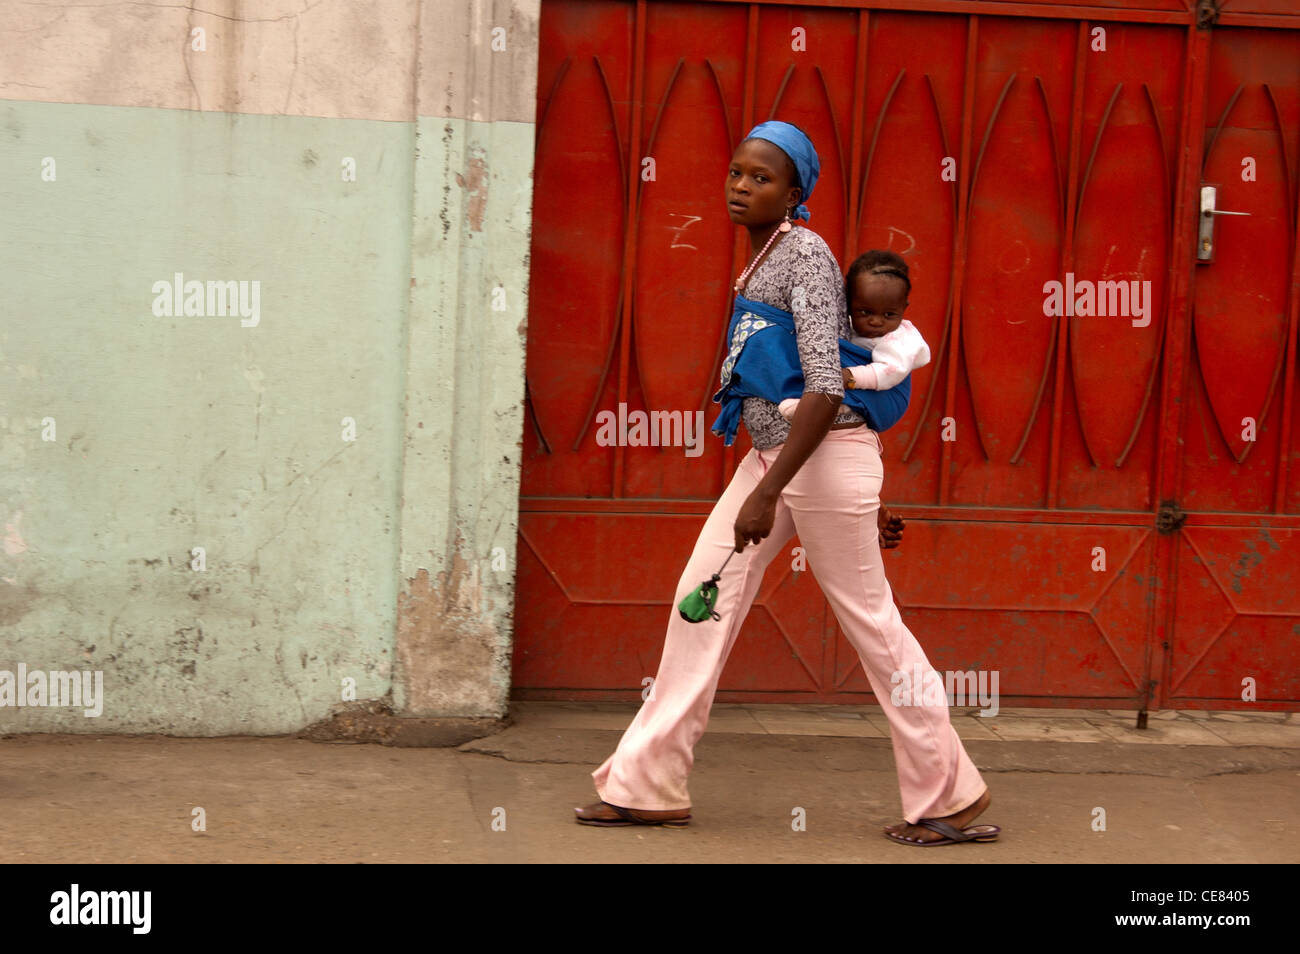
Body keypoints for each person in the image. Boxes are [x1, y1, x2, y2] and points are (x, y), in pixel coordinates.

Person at [573, 121, 997, 847]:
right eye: (737, 172)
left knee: (874, 628)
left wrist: (771, 497)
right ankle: (646, 786)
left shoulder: (805, 257)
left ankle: (948, 795)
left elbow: (827, 389)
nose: (742, 187)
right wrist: (771, 482)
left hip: (814, 462)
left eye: (761, 178)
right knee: (698, 603)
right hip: (781, 458)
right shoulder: (764, 252)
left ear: (795, 193)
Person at [777, 250, 931, 423]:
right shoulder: (847, 324)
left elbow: (890, 373)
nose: (876, 321)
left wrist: (848, 376)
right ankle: (832, 407)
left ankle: (824, 407)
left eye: (889, 314)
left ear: (903, 308)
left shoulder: (901, 338)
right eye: (865, 312)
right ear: (848, 305)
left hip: (887, 398)